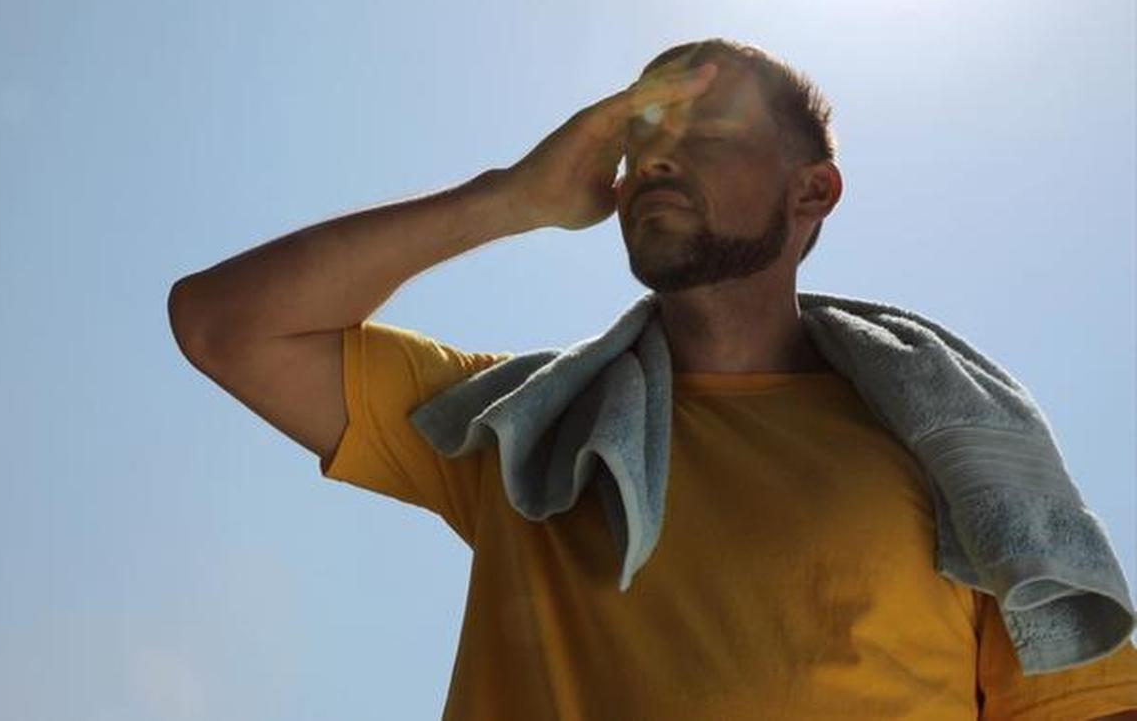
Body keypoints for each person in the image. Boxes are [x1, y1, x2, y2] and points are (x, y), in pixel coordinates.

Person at [168, 38, 1137, 719]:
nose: (659, 155)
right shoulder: (523, 437)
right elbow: (226, 326)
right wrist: (512, 196)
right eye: (641, 139)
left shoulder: (949, 455)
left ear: (812, 192)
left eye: (708, 134)